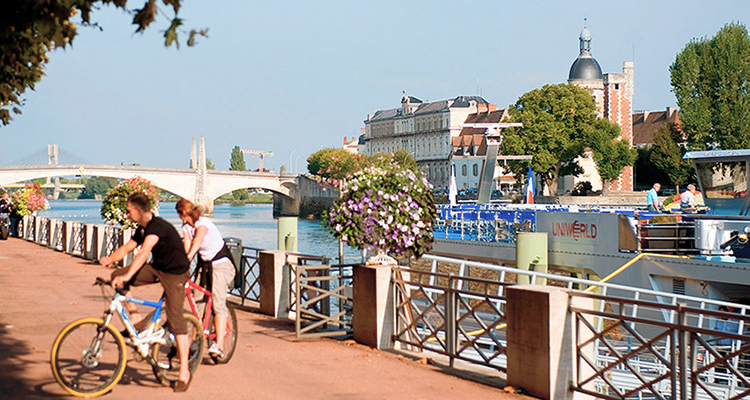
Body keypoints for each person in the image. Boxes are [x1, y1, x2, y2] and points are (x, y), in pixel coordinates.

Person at [99, 193, 193, 392]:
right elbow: (127, 248)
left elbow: (143, 253)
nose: (127, 213)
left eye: (129, 210)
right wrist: (110, 259)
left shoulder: (156, 227)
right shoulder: (142, 228)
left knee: (176, 319)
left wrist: (128, 275)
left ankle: (184, 371)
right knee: (117, 276)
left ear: (139, 210)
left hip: (176, 274)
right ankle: (137, 321)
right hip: (158, 268)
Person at [176, 199, 235, 359]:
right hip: (206, 266)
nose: (180, 217)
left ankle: (220, 345)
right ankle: (195, 342)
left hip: (221, 264)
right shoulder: (186, 227)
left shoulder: (204, 223)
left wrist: (188, 257)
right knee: (198, 303)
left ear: (183, 213)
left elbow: (196, 244)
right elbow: (187, 247)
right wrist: (181, 263)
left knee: (218, 302)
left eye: (179, 213)